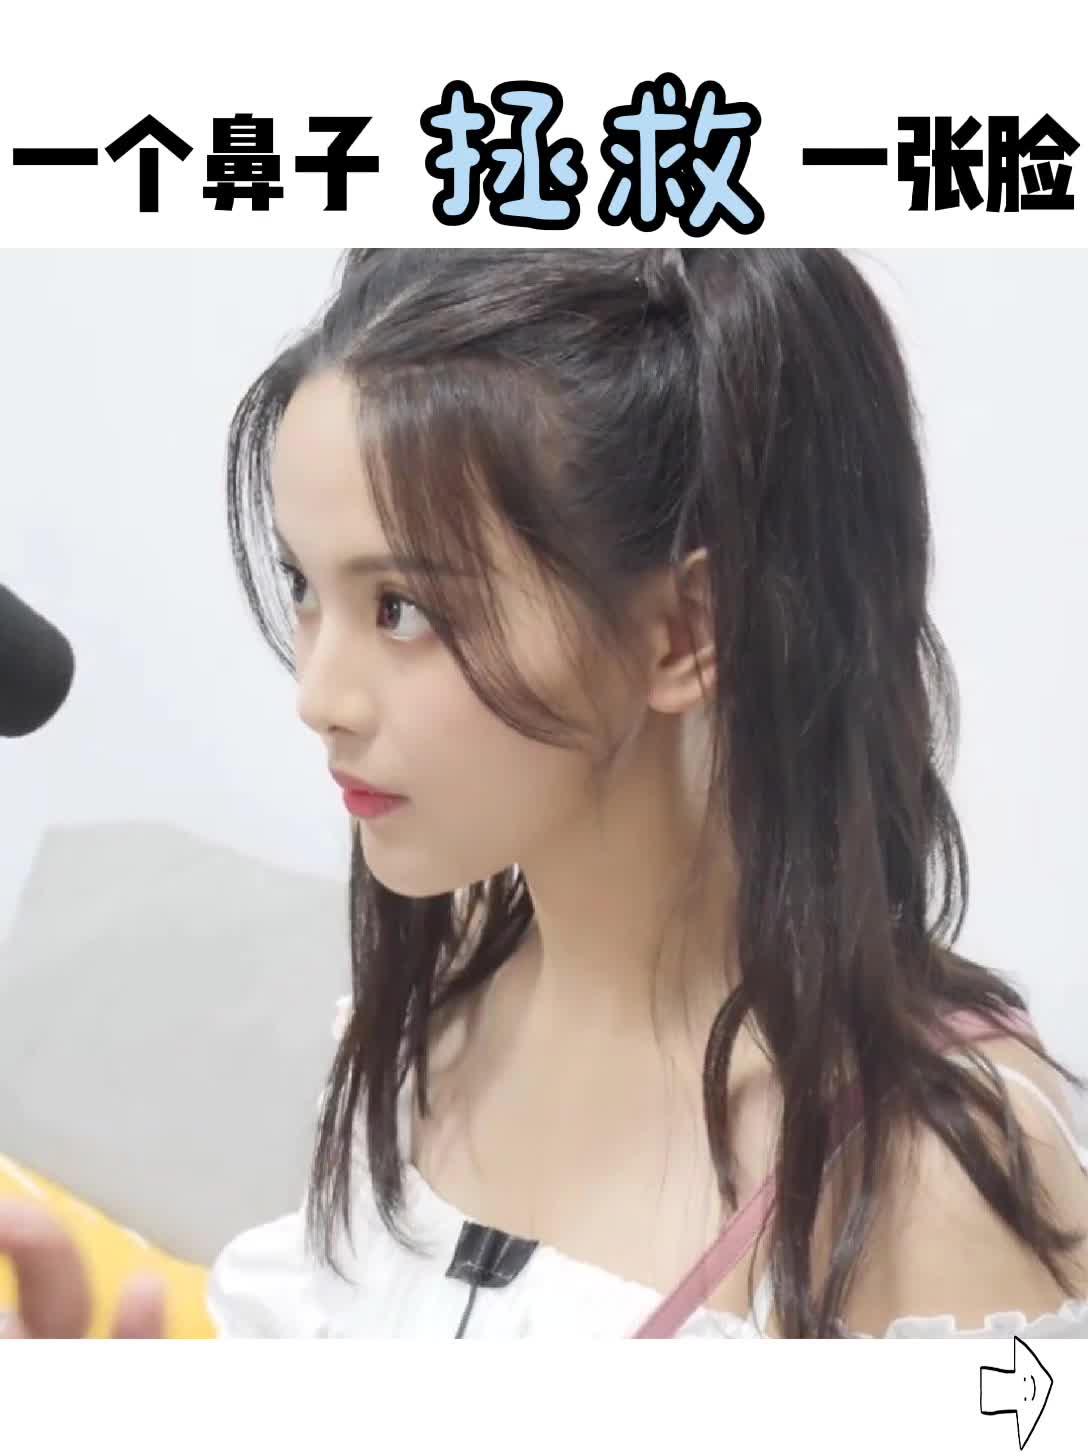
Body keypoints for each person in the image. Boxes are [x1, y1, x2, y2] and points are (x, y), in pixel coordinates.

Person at [3, 249, 1086, 1339]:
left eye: (401, 609)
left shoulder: (929, 1184)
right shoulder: (436, 996)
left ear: (685, 632)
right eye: (303, 586)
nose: (318, 697)